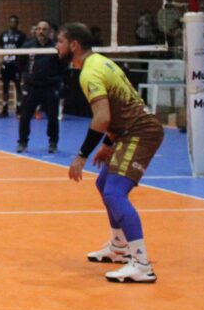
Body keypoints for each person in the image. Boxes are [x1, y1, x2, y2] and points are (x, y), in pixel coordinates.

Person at [58, 22, 163, 284]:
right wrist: (107, 144)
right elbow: (117, 110)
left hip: (139, 133)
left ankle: (141, 264)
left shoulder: (89, 73)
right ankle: (119, 246)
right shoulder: (101, 62)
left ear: (74, 45)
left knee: (115, 191)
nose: (55, 47)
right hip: (128, 132)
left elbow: (102, 117)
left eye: (59, 41)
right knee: (104, 182)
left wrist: (81, 155)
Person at [17, 20, 65, 153]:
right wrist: (28, 76)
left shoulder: (56, 47)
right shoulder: (28, 46)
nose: (41, 32)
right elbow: (21, 64)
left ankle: (53, 143)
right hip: (31, 86)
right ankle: (22, 142)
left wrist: (55, 79)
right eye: (38, 29)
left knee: (53, 116)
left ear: (50, 32)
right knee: (25, 115)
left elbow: (63, 65)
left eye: (44, 29)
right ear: (35, 30)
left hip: (50, 87)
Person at [0, 15, 27, 117]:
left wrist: (21, 63)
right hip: (6, 64)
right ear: (8, 23)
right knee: (5, 87)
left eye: (14, 22)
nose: (12, 24)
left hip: (16, 64)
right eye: (11, 22)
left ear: (17, 23)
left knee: (18, 87)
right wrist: (1, 60)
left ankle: (19, 109)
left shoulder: (22, 35)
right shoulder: (3, 34)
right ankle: (4, 109)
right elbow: (1, 47)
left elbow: (25, 50)